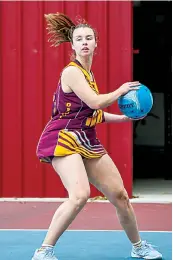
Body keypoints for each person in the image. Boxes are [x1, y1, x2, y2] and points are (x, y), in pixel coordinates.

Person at [32, 12, 162, 260]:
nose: (84, 42)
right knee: (80, 195)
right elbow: (95, 102)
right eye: (79, 38)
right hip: (63, 137)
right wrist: (121, 90)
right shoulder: (72, 72)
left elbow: (93, 114)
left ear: (95, 43)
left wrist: (124, 118)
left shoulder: (89, 75)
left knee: (120, 196)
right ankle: (43, 251)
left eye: (88, 38)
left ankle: (138, 247)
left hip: (86, 137)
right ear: (72, 45)